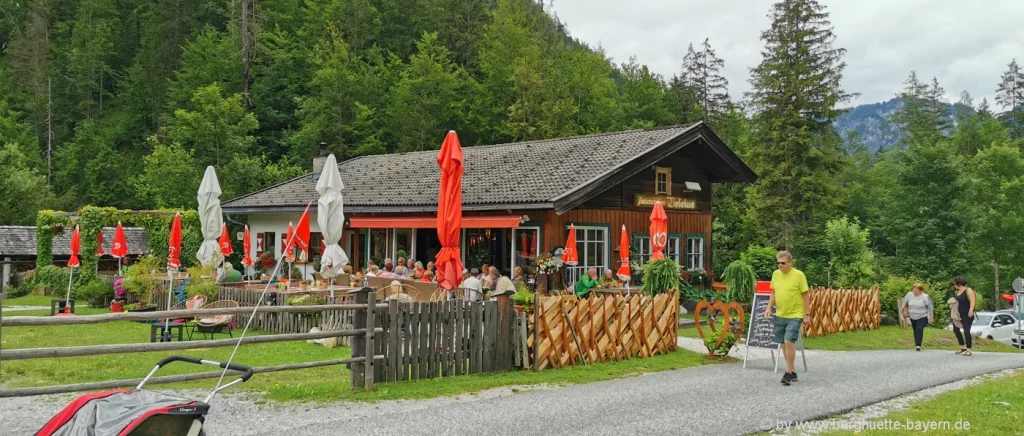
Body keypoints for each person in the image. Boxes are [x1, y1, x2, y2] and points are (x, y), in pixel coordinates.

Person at [763, 251, 809, 386]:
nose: (780, 265)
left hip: (795, 314)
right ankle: (793, 371)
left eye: (782, 263)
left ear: (790, 263)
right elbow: (773, 292)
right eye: (778, 263)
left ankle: (788, 372)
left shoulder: (799, 275)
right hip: (780, 314)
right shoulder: (776, 274)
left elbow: (806, 295)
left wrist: (807, 314)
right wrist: (768, 308)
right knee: (783, 344)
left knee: (789, 341)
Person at [901, 283, 934, 351]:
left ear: (921, 291)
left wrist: (931, 317)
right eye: (914, 289)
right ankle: (917, 343)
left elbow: (930, 307)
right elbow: (904, 302)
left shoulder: (925, 297)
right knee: (915, 329)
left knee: (919, 329)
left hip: (922, 315)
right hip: (912, 315)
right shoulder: (909, 295)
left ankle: (918, 345)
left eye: (916, 289)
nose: (914, 291)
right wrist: (905, 310)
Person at [951, 276, 977, 356]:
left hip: (967, 314)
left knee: (966, 331)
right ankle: (962, 347)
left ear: (958, 283)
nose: (954, 284)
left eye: (954, 282)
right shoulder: (957, 292)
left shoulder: (968, 290)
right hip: (958, 314)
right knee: (956, 330)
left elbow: (973, 301)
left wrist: (971, 310)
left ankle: (969, 349)